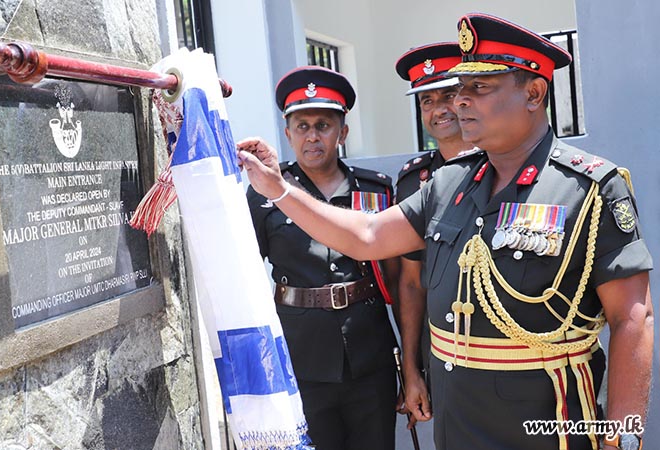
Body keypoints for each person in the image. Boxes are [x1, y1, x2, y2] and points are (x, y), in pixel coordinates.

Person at [238, 13, 653, 450]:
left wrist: (621, 440)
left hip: (547, 427)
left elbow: (633, 318)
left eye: (480, 88)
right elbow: (367, 235)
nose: (460, 103)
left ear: (534, 93)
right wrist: (279, 189)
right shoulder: (450, 182)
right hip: (459, 425)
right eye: (461, 91)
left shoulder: (588, 188)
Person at [245, 66, 397, 450]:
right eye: (302, 126)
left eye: (324, 125)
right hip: (301, 357)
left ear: (342, 132)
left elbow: (401, 277)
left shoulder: (377, 191)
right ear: (288, 133)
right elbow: (246, 274)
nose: (313, 136)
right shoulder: (267, 191)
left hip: (369, 354)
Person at [393, 42, 474, 427]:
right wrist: (411, 370)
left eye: (449, 94)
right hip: (443, 354)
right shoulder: (414, 182)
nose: (439, 108)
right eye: (427, 100)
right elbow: (411, 283)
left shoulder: (509, 165)